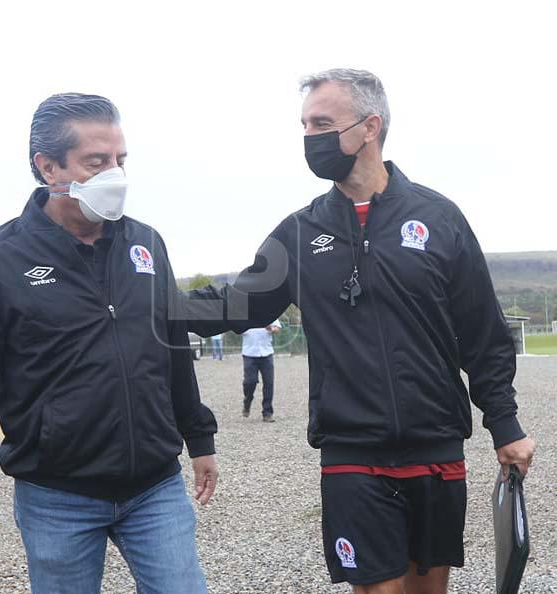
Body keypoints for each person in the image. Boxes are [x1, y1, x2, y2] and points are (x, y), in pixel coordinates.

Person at [185, 68, 535, 594]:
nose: (309, 137)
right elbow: (239, 303)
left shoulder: (439, 219)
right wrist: (139, 300)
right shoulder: (301, 231)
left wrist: (504, 424)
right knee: (377, 589)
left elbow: (483, 335)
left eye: (322, 123)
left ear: (370, 127)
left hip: (434, 444)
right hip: (351, 450)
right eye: (304, 125)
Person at [0, 93, 219, 594]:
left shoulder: (145, 243)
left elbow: (170, 346)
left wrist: (198, 437)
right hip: (57, 496)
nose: (116, 174)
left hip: (155, 486)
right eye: (97, 162)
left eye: (121, 160)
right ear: (48, 167)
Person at [240, 319, 282, 421]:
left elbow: (277, 329)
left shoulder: (269, 313)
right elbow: (236, 330)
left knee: (269, 383)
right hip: (249, 353)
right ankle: (247, 400)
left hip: (266, 353)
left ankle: (267, 413)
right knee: (250, 382)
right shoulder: (244, 314)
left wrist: (271, 328)